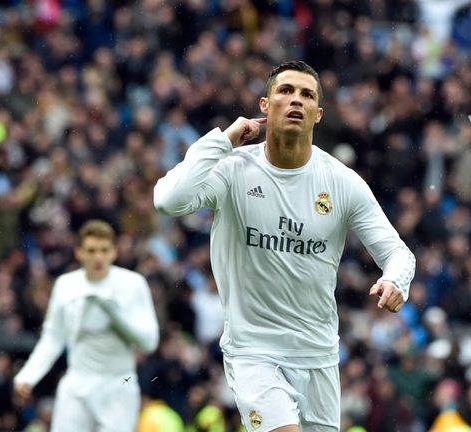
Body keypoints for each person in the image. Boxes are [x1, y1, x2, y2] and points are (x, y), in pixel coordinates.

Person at [153, 60, 416, 432]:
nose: (296, 100)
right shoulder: (232, 170)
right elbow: (168, 199)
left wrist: (396, 280)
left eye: (307, 95)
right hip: (254, 352)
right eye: (285, 91)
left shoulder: (341, 182)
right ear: (265, 105)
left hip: (319, 355)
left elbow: (398, 253)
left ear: (318, 114)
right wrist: (224, 139)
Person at [13, 219, 160, 432]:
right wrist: (28, 375)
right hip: (77, 382)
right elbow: (53, 337)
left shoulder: (132, 284)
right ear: (78, 252)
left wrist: (112, 311)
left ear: (114, 252)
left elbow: (149, 342)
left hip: (119, 383)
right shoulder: (66, 285)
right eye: (91, 250)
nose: (98, 257)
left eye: (104, 250)